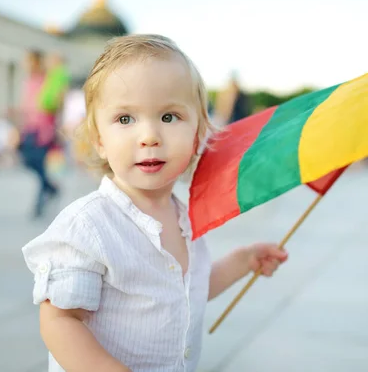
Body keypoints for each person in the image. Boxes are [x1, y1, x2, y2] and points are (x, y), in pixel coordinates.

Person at [21, 34, 288, 372]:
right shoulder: (88, 226)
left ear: (198, 133)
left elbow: (184, 292)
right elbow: (60, 321)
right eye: (125, 119)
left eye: (168, 117)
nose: (149, 136)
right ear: (99, 140)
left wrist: (243, 260)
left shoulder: (186, 216)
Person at [17, 49, 60, 218]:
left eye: (29, 61)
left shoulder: (47, 80)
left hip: (43, 128)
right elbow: (25, 106)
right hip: (29, 127)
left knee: (40, 163)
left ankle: (39, 203)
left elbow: (54, 103)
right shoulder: (27, 81)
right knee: (27, 160)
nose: (26, 65)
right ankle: (51, 187)